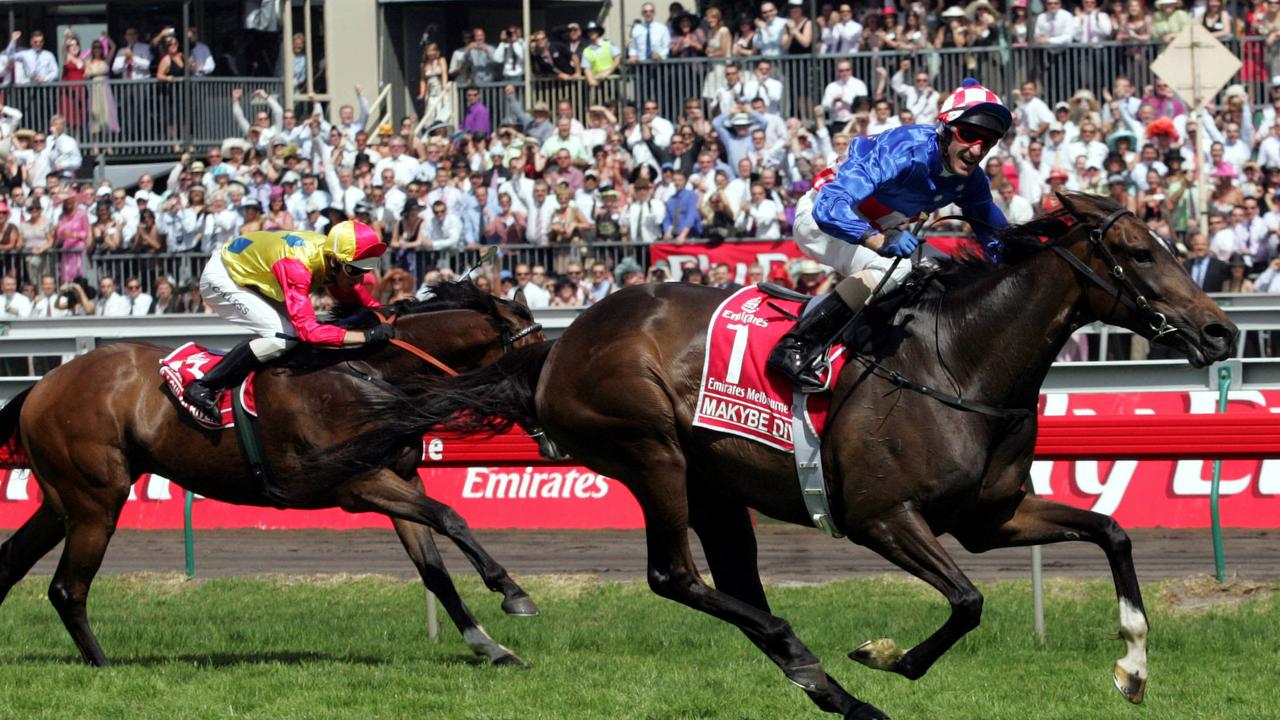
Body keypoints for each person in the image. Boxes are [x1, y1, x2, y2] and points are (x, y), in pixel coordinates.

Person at [768, 78, 1012, 390]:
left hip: (879, 226)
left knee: (946, 274)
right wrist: (879, 240)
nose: (977, 149)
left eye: (988, 141)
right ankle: (796, 345)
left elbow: (997, 239)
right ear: (946, 129)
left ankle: (879, 348)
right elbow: (830, 207)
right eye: (969, 135)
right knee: (891, 268)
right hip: (820, 219)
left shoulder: (972, 181)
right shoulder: (904, 149)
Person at [182, 221, 391, 419]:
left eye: (366, 269)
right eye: (354, 270)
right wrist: (366, 336)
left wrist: (386, 314)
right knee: (283, 338)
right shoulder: (298, 266)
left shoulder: (330, 257)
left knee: (292, 338)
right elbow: (308, 331)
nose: (360, 279)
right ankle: (204, 386)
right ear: (334, 261)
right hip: (225, 276)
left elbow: (358, 297)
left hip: (257, 273)